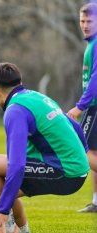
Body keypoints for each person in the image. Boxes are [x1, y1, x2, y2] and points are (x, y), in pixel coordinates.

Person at [0, 63, 89, 233]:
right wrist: (82, 155)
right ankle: (22, 230)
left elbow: (16, 166)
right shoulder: (36, 97)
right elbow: (72, 123)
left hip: (66, 172)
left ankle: (8, 228)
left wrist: (2, 212)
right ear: (19, 82)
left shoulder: (15, 110)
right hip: (76, 169)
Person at [67, 2, 97, 213]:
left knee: (82, 150)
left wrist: (80, 106)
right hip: (92, 106)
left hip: (94, 107)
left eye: (90, 21)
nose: (85, 25)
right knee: (93, 152)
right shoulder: (91, 43)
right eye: (82, 21)